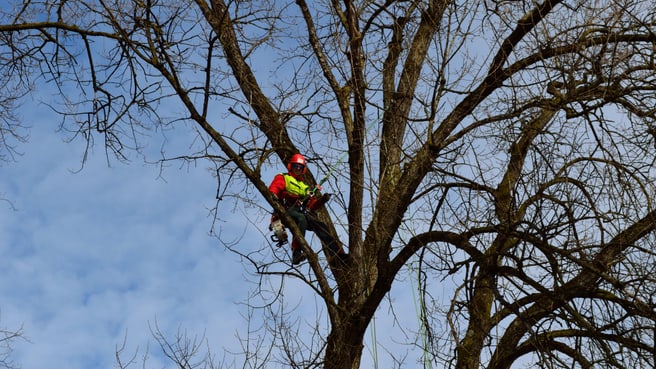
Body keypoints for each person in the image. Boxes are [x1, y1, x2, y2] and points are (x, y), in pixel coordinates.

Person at [269, 153, 349, 265]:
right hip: (285, 210)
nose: (297, 169)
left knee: (322, 226)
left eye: (300, 167)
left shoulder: (303, 186)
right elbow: (273, 190)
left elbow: (311, 206)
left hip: (298, 211)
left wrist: (322, 200)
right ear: (291, 166)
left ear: (303, 169)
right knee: (301, 218)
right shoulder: (283, 178)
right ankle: (296, 251)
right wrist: (275, 197)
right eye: (295, 166)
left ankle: (337, 255)